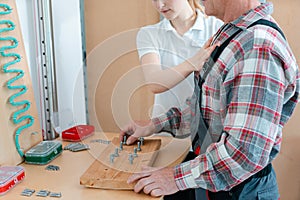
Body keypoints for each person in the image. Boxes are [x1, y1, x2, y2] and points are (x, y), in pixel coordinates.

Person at [121, 0, 300, 199]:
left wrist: (174, 178)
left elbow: (243, 154)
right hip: (217, 182)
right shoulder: (232, 34)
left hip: (241, 190)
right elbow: (207, 110)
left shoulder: (257, 47)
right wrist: (157, 124)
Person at [137, 0, 223, 117]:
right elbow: (154, 83)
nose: (160, 5)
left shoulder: (217, 27)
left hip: (206, 128)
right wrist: (193, 63)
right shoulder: (149, 34)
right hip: (162, 128)